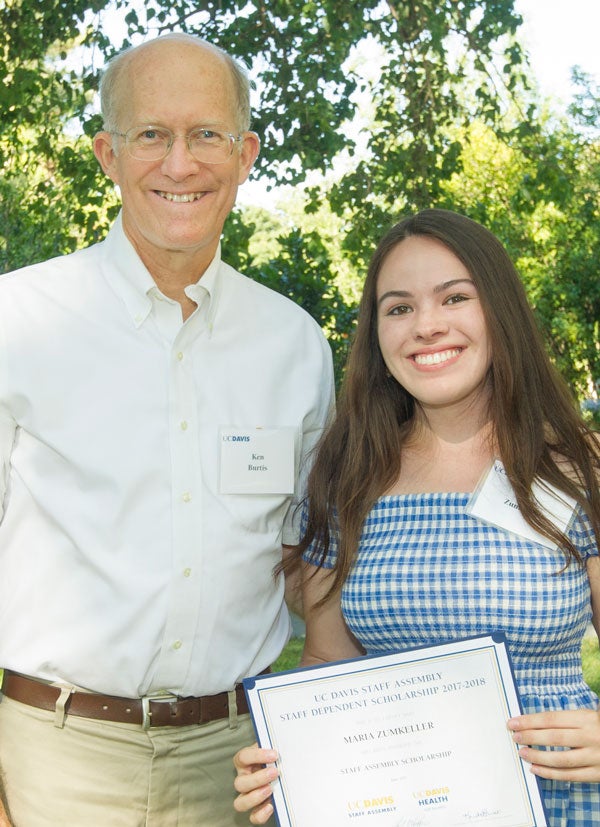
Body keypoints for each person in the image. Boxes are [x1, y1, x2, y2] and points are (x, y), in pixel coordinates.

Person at [0, 33, 334, 827]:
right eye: (151, 133)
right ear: (108, 155)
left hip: (241, 764)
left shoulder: (294, 345)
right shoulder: (17, 320)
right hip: (53, 759)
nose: (180, 164)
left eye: (206, 134)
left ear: (245, 154)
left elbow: (305, 561)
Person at [233, 209, 600, 827]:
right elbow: (326, 665)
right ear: (377, 335)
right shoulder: (350, 478)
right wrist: (286, 767)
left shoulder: (577, 468)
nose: (427, 326)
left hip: (560, 799)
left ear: (500, 310)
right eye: (399, 308)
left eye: (455, 297)